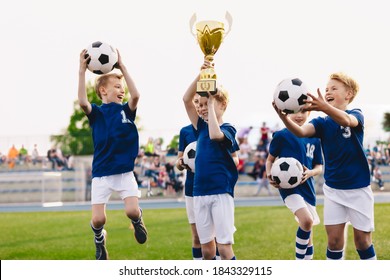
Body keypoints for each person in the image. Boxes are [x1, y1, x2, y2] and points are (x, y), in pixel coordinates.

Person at [274, 72, 376, 260]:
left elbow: (346, 121)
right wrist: (284, 118)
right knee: (334, 242)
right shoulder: (321, 122)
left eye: (333, 88)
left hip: (358, 189)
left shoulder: (355, 114)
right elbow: (301, 131)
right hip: (333, 191)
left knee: (362, 242)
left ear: (349, 94)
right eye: (326, 89)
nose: (327, 91)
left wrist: (324, 108)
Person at [78, 48, 147, 260]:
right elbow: (82, 102)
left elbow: (136, 95)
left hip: (125, 173)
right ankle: (100, 240)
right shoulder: (97, 113)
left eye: (122, 87)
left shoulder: (127, 111)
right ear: (103, 92)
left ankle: (137, 222)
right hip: (101, 174)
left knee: (132, 212)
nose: (121, 90)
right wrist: (81, 71)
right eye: (117, 86)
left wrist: (123, 68)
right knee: (98, 220)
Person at [183, 60, 240, 260]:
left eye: (208, 103)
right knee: (207, 250)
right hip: (199, 193)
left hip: (220, 192)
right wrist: (201, 76)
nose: (203, 107)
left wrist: (212, 100)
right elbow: (186, 99)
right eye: (201, 103)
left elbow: (216, 135)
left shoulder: (228, 129)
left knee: (224, 248)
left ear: (222, 104)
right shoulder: (199, 128)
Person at [266, 110, 323, 259]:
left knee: (308, 231)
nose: (299, 114)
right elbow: (269, 160)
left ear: (309, 112)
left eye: (303, 111)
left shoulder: (314, 137)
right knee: (307, 220)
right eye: (295, 111)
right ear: (286, 112)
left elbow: (319, 166)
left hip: (308, 188)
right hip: (289, 188)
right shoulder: (281, 135)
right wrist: (269, 174)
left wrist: (310, 172)